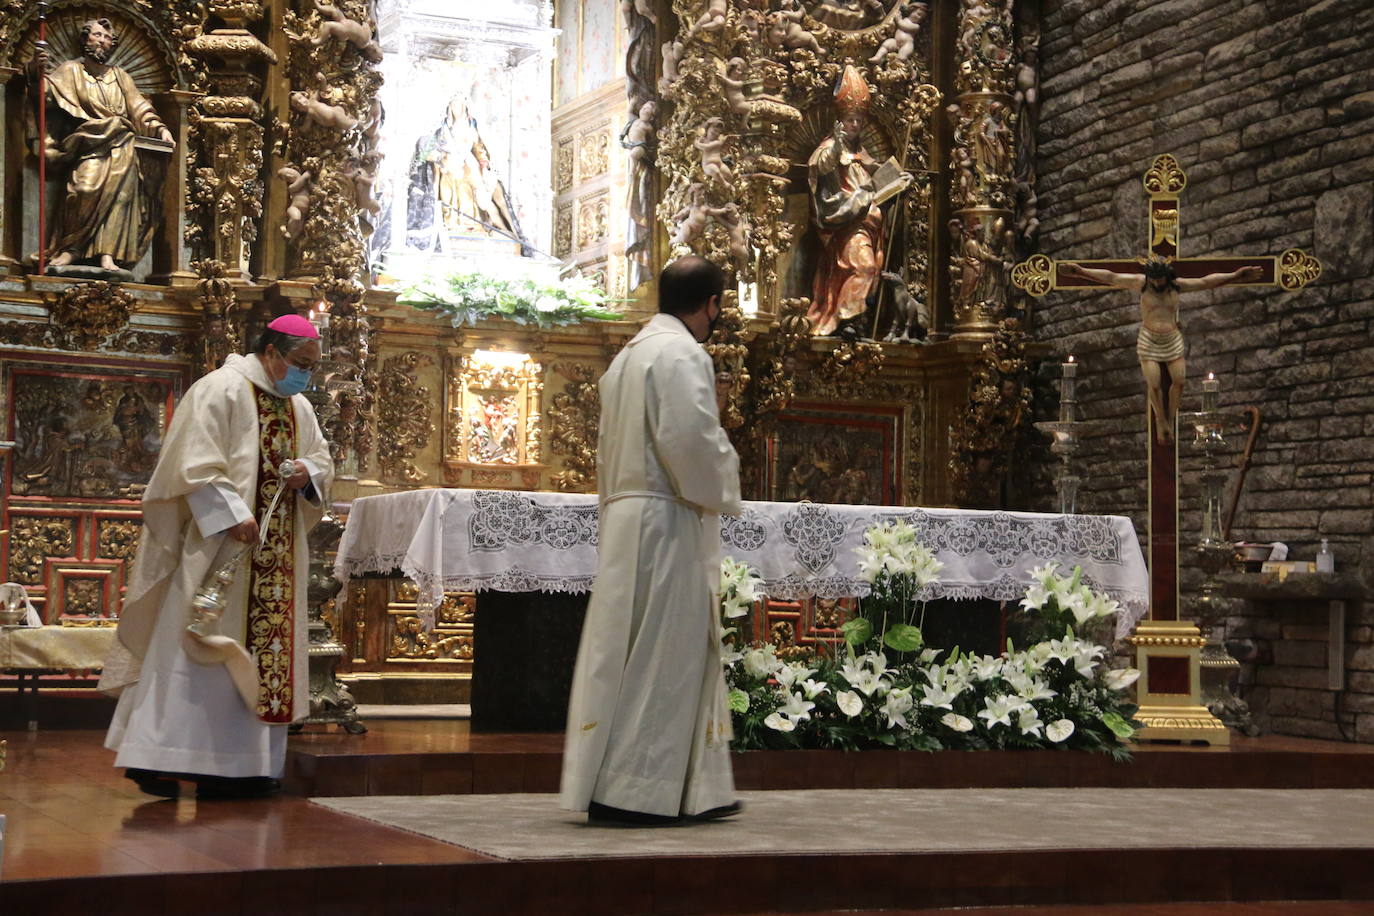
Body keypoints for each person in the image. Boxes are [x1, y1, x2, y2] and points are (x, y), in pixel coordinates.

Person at [101, 314, 334, 799]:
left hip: (276, 556)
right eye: (299, 365)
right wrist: (230, 512)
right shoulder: (220, 390)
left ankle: (246, 766)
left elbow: (321, 458)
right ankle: (163, 758)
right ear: (270, 351)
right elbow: (189, 464)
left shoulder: (298, 407)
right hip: (217, 547)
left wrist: (306, 474)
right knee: (195, 647)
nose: (304, 376)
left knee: (259, 653)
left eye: (311, 368)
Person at [561, 256, 742, 826]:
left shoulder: (628, 357)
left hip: (626, 519)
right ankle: (636, 790)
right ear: (710, 304)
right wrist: (727, 475)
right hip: (666, 522)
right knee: (664, 655)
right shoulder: (683, 354)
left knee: (622, 654)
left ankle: (655, 784)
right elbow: (689, 442)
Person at [1060, 256, 1262, 443]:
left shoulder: (1176, 287)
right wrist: (1080, 271)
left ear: (1167, 276)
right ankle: (1161, 420)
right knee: (1154, 384)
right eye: (1153, 279)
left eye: (1160, 279)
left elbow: (1206, 281)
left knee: (1180, 381)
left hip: (1172, 339)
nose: (1157, 283)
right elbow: (1111, 277)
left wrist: (1236, 275)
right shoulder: (1141, 284)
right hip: (1148, 339)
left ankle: (1171, 418)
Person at [33, 18, 173, 273]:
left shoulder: (120, 77)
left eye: (107, 38)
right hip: (88, 143)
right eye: (97, 35)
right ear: (85, 39)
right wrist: (35, 70)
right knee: (82, 190)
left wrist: (160, 129)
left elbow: (140, 108)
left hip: (122, 143)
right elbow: (46, 96)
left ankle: (108, 255)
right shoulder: (70, 71)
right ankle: (70, 249)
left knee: (120, 200)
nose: (102, 41)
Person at [807, 65, 910, 337]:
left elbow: (877, 176)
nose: (855, 125)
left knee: (873, 270)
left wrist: (898, 180)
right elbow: (821, 168)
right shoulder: (830, 149)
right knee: (862, 267)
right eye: (850, 120)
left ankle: (859, 320)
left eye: (858, 121)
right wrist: (837, 149)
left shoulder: (861, 153)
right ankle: (846, 320)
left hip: (871, 225)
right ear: (840, 122)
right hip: (849, 225)